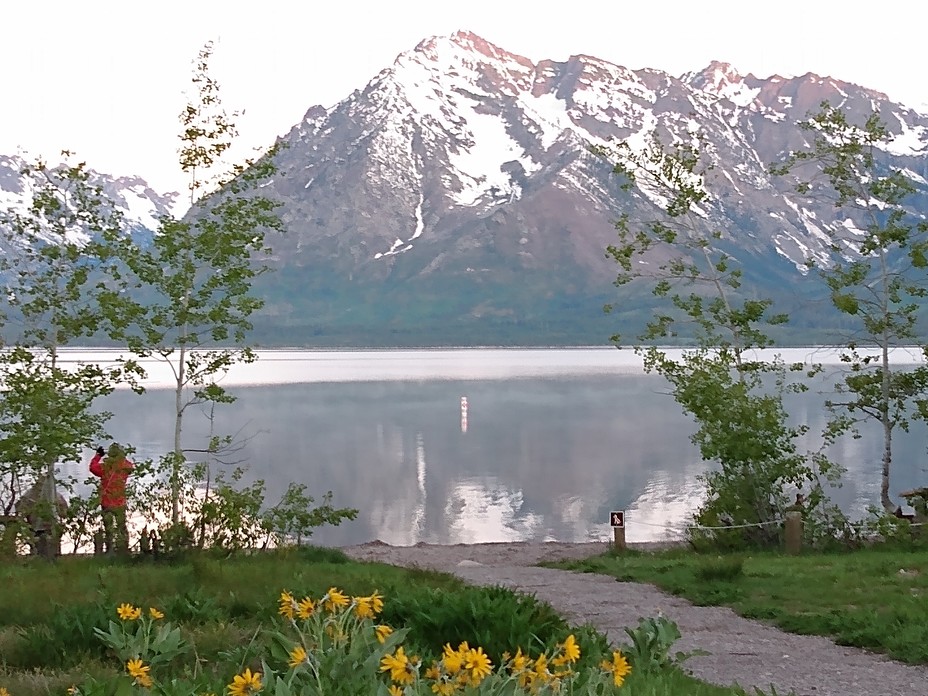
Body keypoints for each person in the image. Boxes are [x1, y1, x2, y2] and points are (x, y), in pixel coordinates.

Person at [90, 443, 134, 555]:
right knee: (121, 527)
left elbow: (92, 468)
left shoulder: (105, 467)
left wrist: (98, 456)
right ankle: (123, 549)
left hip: (106, 502)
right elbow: (131, 467)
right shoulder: (125, 466)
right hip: (120, 502)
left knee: (108, 528)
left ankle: (109, 551)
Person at [16, 472, 68, 557]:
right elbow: (21, 512)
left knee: (51, 545)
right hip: (35, 528)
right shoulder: (29, 496)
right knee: (39, 546)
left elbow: (64, 513)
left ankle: (52, 557)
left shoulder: (55, 496)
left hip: (50, 527)